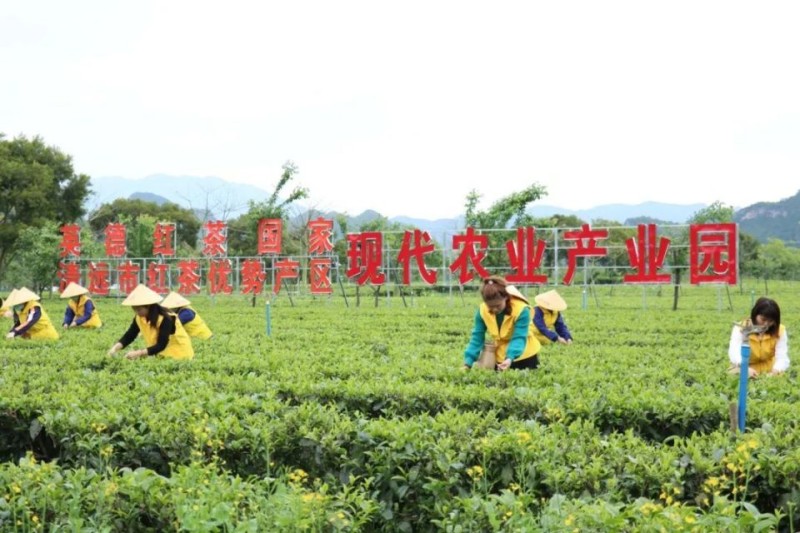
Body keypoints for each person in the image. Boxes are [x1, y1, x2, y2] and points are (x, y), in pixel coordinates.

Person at [463, 276, 541, 370]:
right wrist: (468, 363)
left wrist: (510, 358)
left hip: (525, 355)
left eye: (498, 305)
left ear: (506, 297)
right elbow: (477, 337)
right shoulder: (482, 311)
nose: (494, 309)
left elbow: (519, 337)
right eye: (490, 306)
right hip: (500, 355)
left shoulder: (521, 310)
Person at [107, 284, 194, 361]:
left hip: (180, 355)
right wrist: (115, 348)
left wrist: (139, 353)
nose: (137, 312)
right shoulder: (139, 317)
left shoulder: (166, 318)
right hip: (162, 355)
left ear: (149, 306)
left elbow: (161, 344)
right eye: (134, 310)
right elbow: (130, 335)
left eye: (139, 309)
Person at [728, 297, 788, 377]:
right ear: (755, 315)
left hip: (769, 368)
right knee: (737, 379)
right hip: (744, 367)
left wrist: (775, 371)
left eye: (770, 321)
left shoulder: (779, 330)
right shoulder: (741, 328)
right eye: (763, 319)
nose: (766, 324)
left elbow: (782, 356)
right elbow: (734, 352)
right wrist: (745, 368)